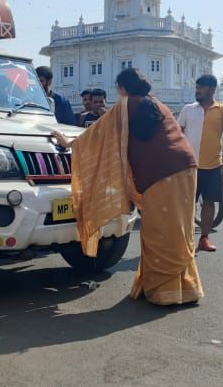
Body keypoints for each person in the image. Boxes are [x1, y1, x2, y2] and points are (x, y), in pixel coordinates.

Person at [53, 68, 202, 306]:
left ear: (122, 88)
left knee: (158, 232)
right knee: (179, 230)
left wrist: (69, 142)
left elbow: (97, 134)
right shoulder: (157, 104)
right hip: (186, 167)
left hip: (161, 174)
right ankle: (185, 289)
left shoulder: (126, 105)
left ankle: (164, 292)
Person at [177, 74, 223, 252]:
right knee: (186, 204)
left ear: (211, 89)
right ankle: (184, 239)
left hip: (213, 166)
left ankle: (204, 238)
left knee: (209, 203)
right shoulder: (188, 109)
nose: (197, 90)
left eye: (201, 87)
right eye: (197, 87)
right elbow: (177, 135)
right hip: (189, 166)